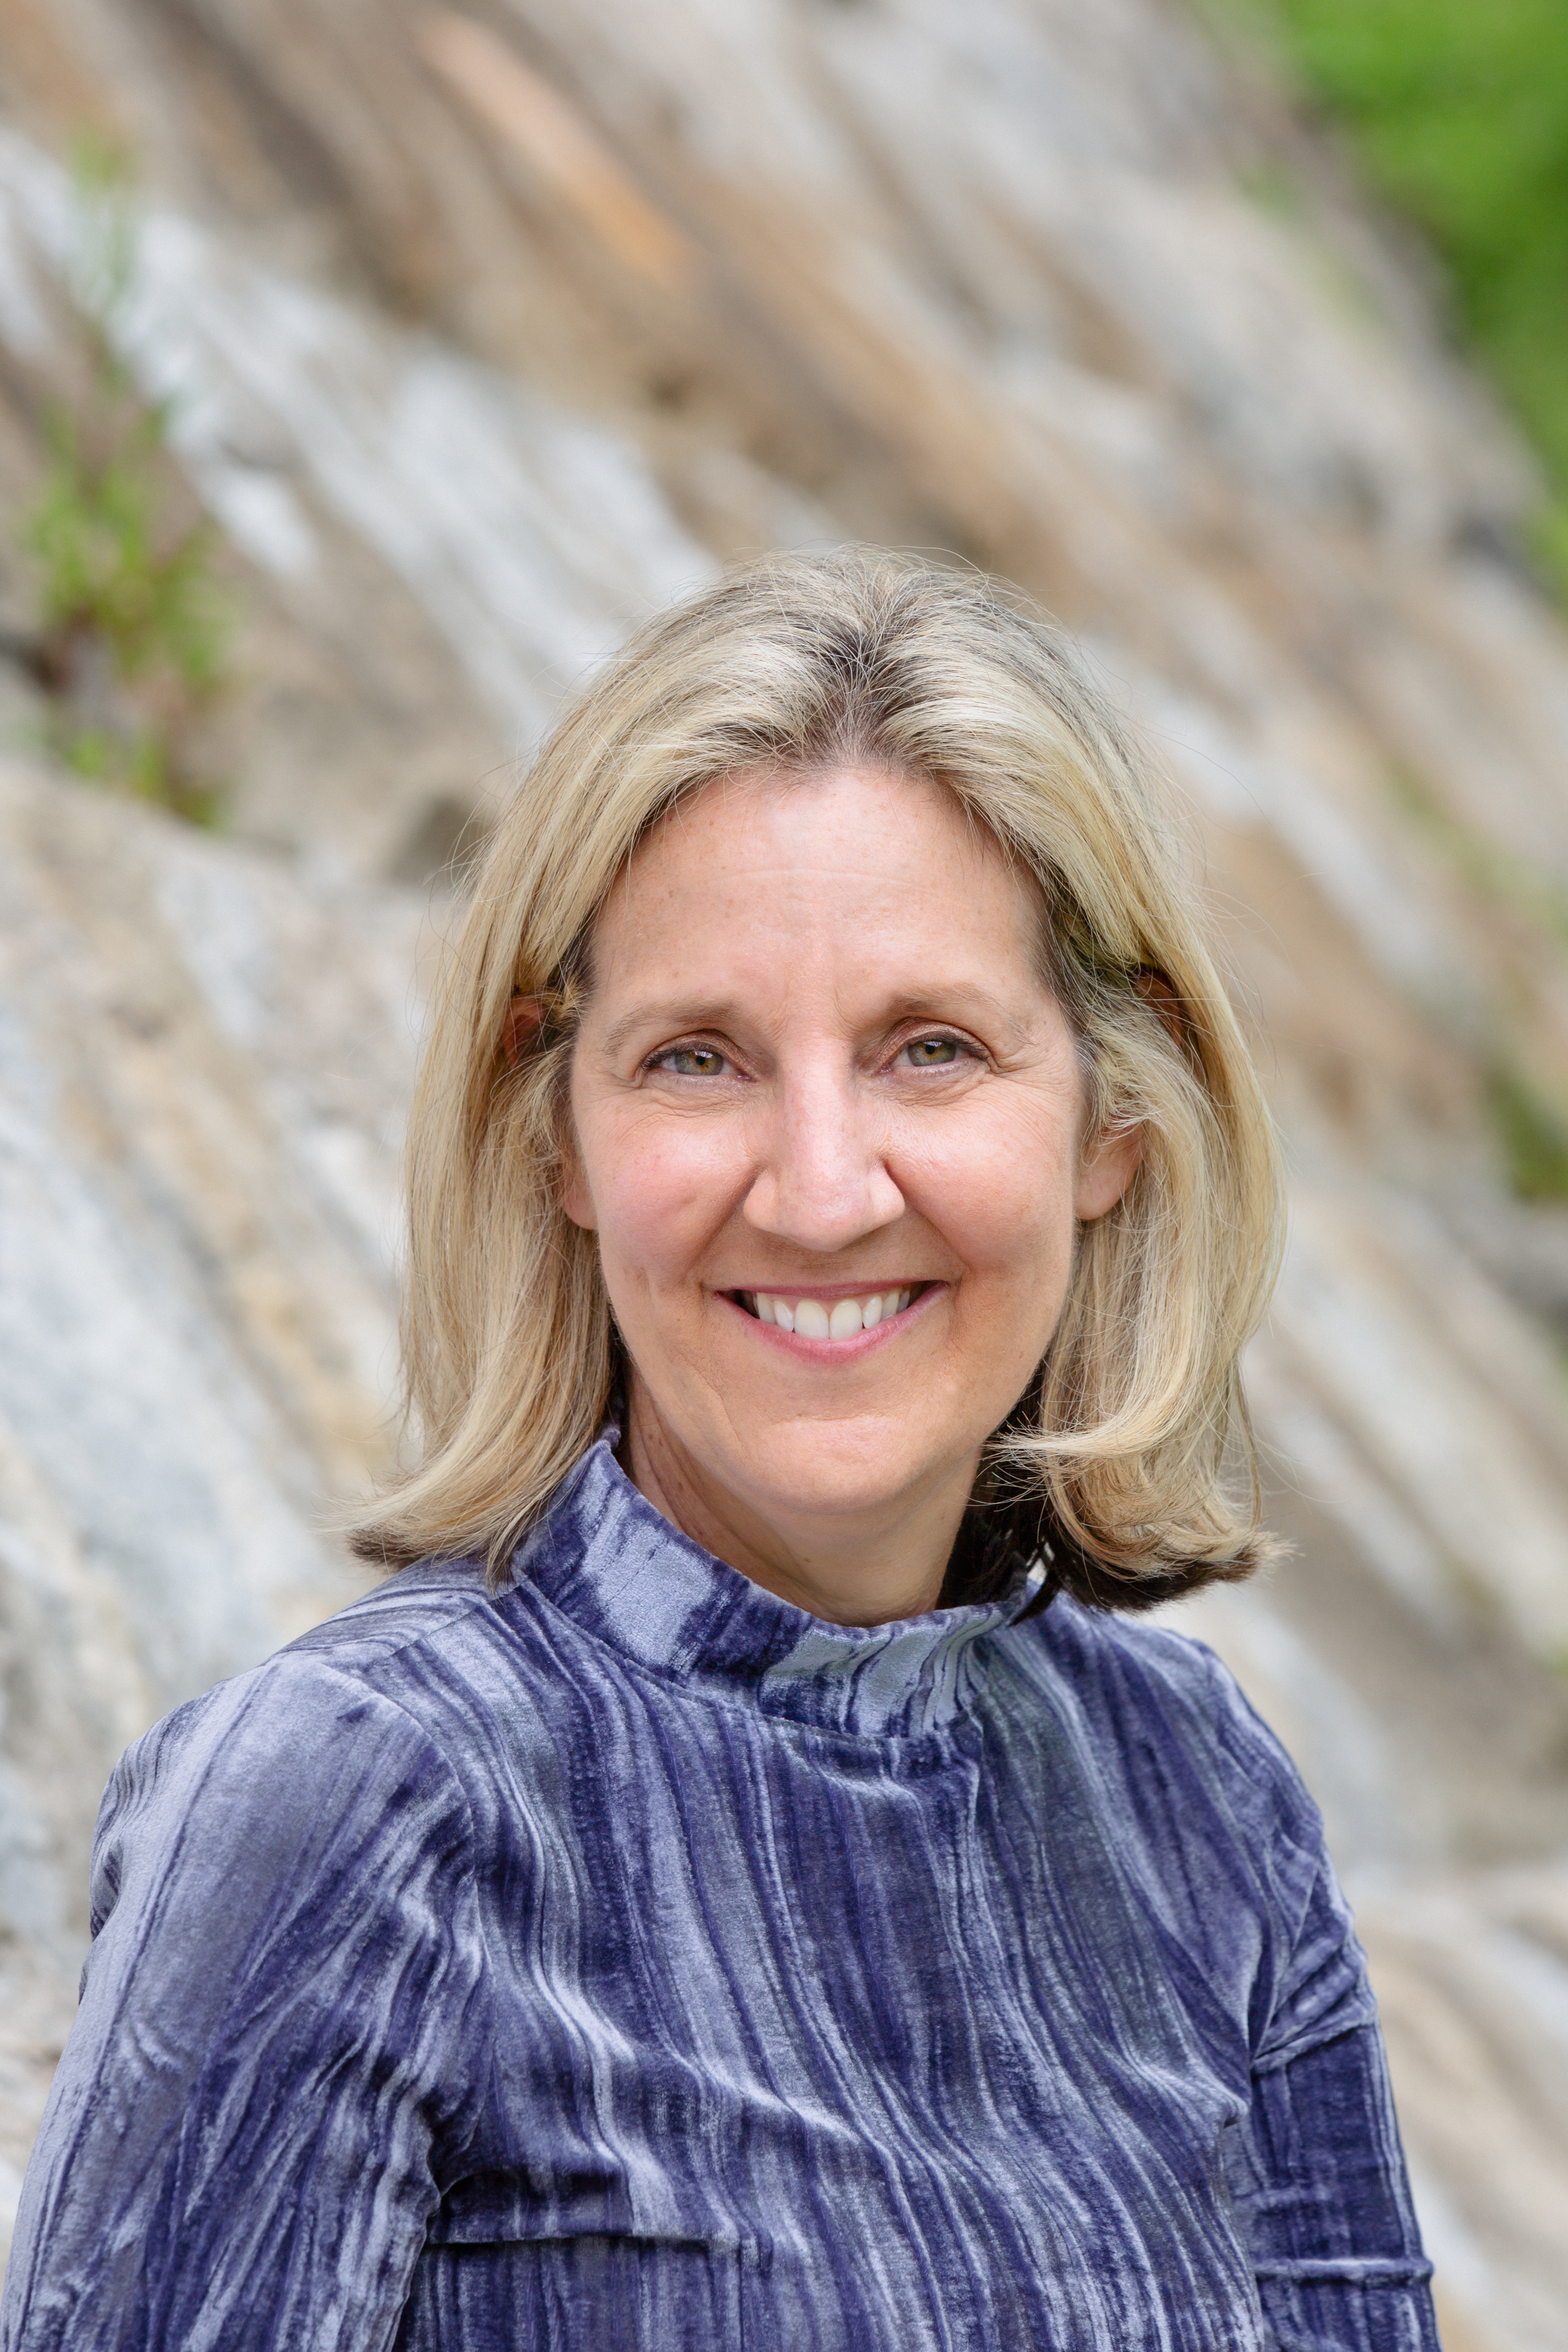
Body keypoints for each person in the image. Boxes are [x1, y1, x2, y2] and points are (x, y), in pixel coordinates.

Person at [1, 551, 1438, 2350]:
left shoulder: (1200, 1800)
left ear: (1111, 1118)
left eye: (931, 1048)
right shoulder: (356, 1802)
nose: (823, 1189)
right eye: (698, 1060)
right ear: (560, 1136)